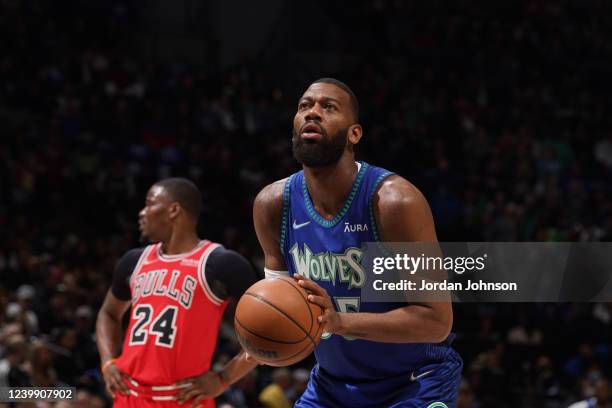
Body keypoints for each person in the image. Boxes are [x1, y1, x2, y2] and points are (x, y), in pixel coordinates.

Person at [253, 78, 463, 407]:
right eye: (305, 106)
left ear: (354, 134)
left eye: (328, 107)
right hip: (331, 385)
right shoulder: (272, 205)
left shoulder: (394, 202)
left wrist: (339, 322)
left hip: (414, 382)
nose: (313, 113)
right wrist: (223, 375)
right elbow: (272, 313)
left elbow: (437, 321)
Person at [96, 178, 259, 407]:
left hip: (185, 398)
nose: (142, 213)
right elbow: (108, 313)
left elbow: (266, 330)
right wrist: (107, 362)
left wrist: (224, 377)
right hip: (129, 395)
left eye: (149, 203)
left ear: (173, 210)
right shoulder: (133, 260)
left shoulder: (221, 263)